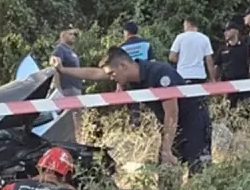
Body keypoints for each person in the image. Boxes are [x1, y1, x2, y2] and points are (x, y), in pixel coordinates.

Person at [50, 46, 213, 180]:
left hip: (193, 121)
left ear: (123, 66)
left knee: (199, 173)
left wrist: (166, 148)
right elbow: (95, 73)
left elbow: (172, 113)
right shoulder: (129, 77)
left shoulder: (159, 73)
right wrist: (63, 70)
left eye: (112, 73)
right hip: (172, 126)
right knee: (165, 174)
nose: (111, 78)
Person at [119, 21, 156, 127]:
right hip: (146, 75)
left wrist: (119, 85)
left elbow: (119, 69)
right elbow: (153, 62)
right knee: (150, 100)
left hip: (130, 78)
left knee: (133, 101)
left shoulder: (122, 48)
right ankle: (150, 122)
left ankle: (135, 122)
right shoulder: (146, 44)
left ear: (126, 32)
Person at [52, 27, 84, 137]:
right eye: (70, 34)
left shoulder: (71, 51)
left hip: (76, 86)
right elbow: (55, 68)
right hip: (67, 88)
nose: (73, 36)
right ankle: (75, 138)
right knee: (72, 117)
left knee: (78, 115)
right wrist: (58, 88)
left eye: (73, 34)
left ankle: (80, 137)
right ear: (63, 35)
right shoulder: (60, 49)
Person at [169, 17, 216, 83]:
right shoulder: (204, 38)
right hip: (200, 75)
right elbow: (209, 60)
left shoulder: (180, 37)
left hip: (183, 74)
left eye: (184, 25)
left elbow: (171, 57)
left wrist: (182, 59)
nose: (184, 28)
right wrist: (212, 78)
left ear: (188, 24)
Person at [214, 22, 250, 108]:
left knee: (245, 107)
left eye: (228, 30)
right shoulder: (223, 49)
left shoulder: (245, 47)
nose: (225, 33)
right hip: (228, 83)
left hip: (243, 82)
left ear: (236, 31)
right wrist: (215, 80)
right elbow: (217, 66)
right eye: (225, 31)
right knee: (229, 107)